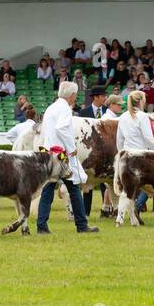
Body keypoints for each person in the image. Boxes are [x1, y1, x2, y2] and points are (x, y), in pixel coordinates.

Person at [35, 81, 99, 234]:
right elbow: (62, 128)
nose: (75, 98)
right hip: (61, 155)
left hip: (50, 153)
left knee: (48, 191)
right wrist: (72, 148)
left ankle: (42, 226)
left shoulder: (51, 108)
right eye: (75, 96)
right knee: (74, 189)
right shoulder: (64, 108)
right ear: (72, 95)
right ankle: (82, 225)